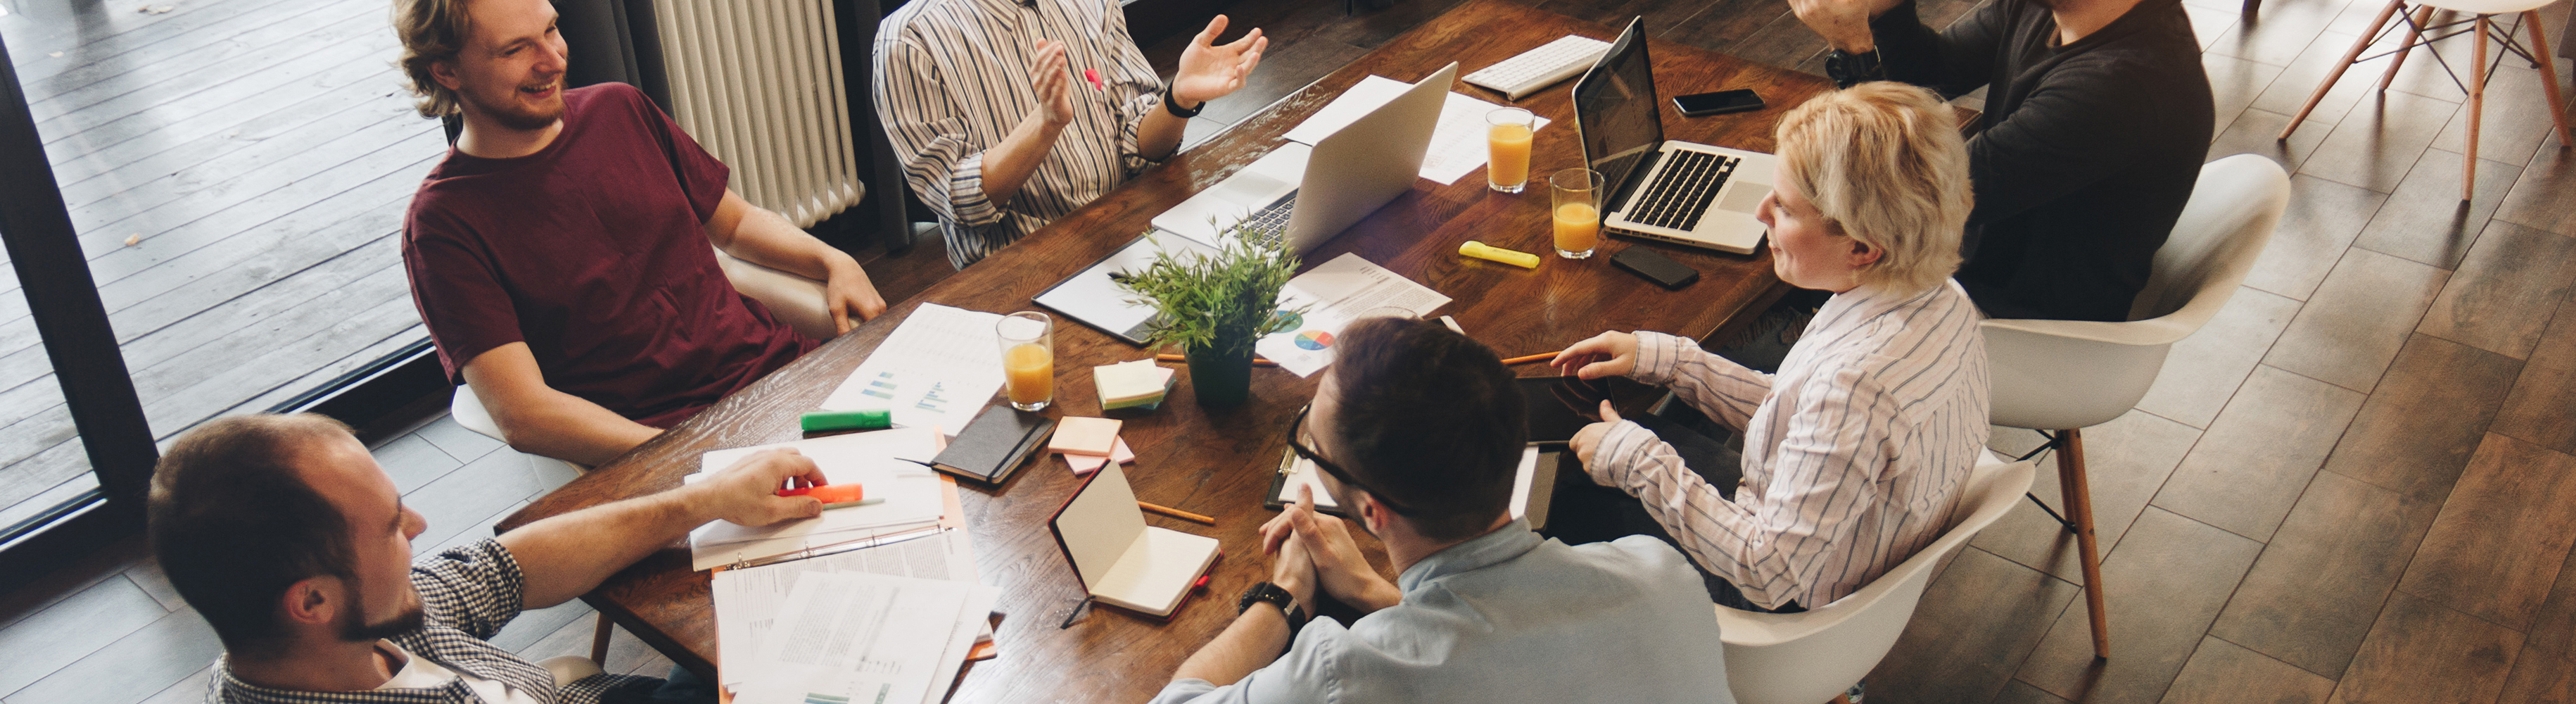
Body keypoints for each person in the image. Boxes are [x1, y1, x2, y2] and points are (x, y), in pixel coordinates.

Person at [1546, 83, 1992, 612]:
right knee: (1619, 439)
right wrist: (1675, 362)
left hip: (1768, 600)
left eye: (1783, 207)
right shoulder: (1940, 300)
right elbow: (1804, 415)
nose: (1760, 213)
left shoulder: (1856, 387)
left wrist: (1637, 459)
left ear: (1861, 248)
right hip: (1828, 539)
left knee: (1553, 492)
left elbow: (1768, 571)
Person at [395, 0, 887, 467]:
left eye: (550, 29)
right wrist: (693, 457)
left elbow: (734, 225)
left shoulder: (621, 109)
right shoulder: (442, 226)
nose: (553, 60)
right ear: (446, 70)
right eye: (515, 49)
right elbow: (524, 414)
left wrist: (834, 261)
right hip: (658, 444)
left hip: (780, 380)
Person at [1150, 317, 1735, 704]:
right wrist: (1379, 594)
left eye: (1313, 450)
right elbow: (1507, 655)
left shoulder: (1343, 675)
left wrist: (1284, 597)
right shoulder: (1660, 574)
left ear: (1373, 515)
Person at [148, 413, 832, 703]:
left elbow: (508, 567)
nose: (417, 525)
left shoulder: (365, 622)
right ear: (312, 601)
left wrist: (707, 498)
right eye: (391, 528)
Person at [1787, 0, 2211, 321]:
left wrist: (1854, 45)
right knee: (1795, 221)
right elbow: (1935, 70)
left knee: (1796, 240)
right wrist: (1889, 9)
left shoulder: (2123, 85)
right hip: (1982, 251)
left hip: (2023, 311)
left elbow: (1908, 199)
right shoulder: (2047, 9)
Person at [874, 1, 1267, 268]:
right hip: (1026, 273)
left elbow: (1138, 144)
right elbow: (958, 200)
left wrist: (1178, 99)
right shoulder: (908, 39)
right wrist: (1044, 124)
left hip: (1133, 231)